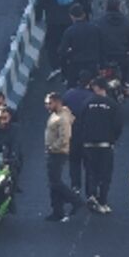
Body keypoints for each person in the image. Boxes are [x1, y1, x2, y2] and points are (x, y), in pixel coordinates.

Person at [75, 75, 124, 212]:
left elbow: (79, 122)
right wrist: (113, 139)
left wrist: (83, 138)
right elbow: (118, 125)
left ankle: (91, 195)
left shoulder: (86, 103)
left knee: (90, 171)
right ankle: (103, 201)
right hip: (105, 144)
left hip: (88, 144)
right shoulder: (112, 104)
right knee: (105, 174)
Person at [44, 92, 84, 222]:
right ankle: (57, 211)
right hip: (54, 152)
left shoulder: (62, 119)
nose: (47, 106)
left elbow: (65, 138)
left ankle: (75, 200)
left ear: (57, 102)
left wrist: (52, 147)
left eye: (49, 103)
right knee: (53, 184)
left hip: (57, 153)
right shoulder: (62, 113)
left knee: (55, 183)